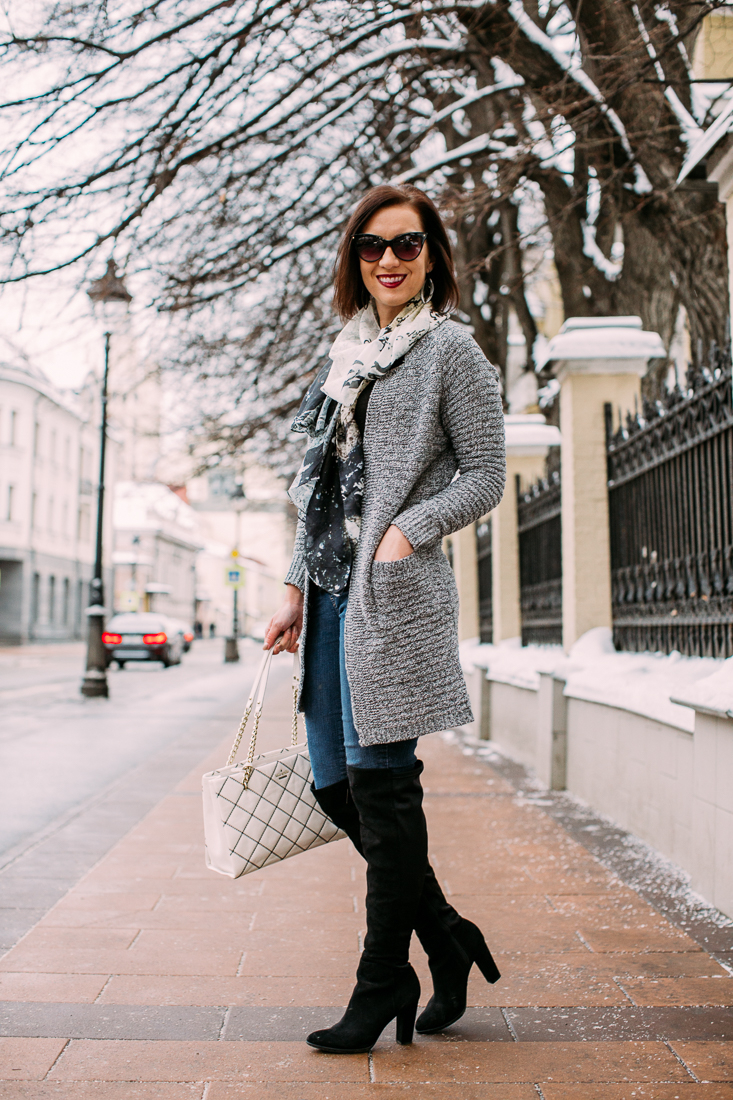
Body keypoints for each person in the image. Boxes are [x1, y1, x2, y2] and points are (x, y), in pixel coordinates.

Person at [263, 183, 506, 1055]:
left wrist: (411, 528)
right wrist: (294, 586)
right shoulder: (344, 356)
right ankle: (445, 937)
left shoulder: (451, 352)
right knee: (335, 786)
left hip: (391, 599)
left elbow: (484, 471)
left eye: (406, 245)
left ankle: (380, 982)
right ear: (354, 260)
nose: (389, 261)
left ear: (432, 255)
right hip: (329, 600)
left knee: (383, 785)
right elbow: (318, 493)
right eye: (371, 247)